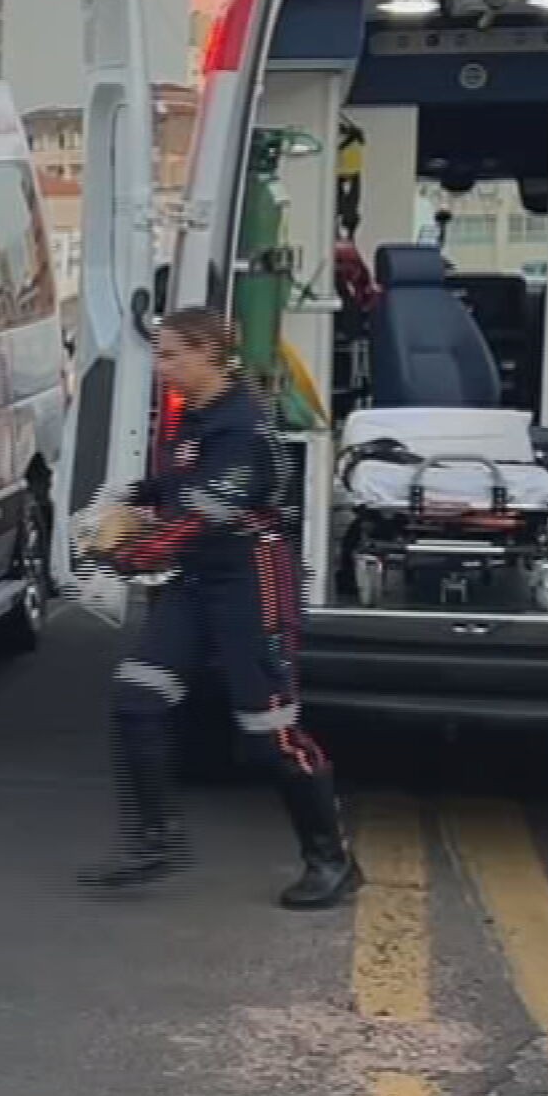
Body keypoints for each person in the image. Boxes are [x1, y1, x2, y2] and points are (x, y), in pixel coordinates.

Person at [78, 307, 362, 909]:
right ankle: (156, 840)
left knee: (268, 731)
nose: (162, 367)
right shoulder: (198, 416)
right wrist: (122, 498)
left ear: (208, 353)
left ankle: (331, 858)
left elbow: (193, 518)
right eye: (159, 354)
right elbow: (175, 485)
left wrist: (119, 558)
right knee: (138, 696)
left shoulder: (241, 429)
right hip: (202, 577)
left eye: (172, 355)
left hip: (252, 581)